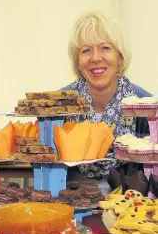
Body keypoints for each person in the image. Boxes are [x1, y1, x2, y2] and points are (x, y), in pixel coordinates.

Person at [62, 11, 151, 179]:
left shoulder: (145, 106)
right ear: (77, 62)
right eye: (86, 50)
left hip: (132, 202)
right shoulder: (59, 106)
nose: (95, 58)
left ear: (120, 57)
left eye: (105, 48)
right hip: (71, 201)